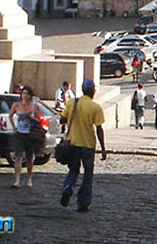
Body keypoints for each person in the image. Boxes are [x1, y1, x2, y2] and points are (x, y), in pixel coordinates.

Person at [60, 79, 107, 213]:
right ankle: (83, 202)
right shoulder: (95, 107)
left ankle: (68, 186)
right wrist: (103, 148)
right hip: (88, 145)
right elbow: (99, 128)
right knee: (88, 174)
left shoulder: (71, 103)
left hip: (73, 143)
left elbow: (63, 119)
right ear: (93, 91)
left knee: (73, 170)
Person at [9, 85, 45, 189]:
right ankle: (17, 180)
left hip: (30, 134)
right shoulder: (16, 105)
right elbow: (10, 115)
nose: (25, 96)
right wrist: (14, 128)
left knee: (29, 158)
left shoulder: (34, 106)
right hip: (19, 134)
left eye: (27, 94)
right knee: (18, 157)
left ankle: (29, 178)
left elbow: (40, 120)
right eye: (23, 93)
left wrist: (33, 119)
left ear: (30, 95)